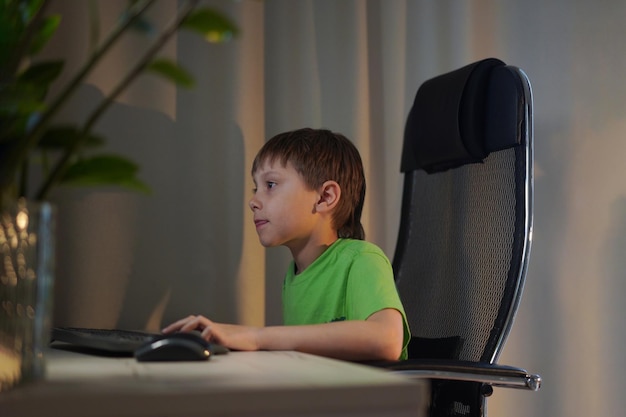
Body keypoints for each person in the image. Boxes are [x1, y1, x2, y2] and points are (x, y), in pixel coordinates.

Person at [163, 128, 410, 361]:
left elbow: (387, 340)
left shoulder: (361, 259)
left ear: (325, 197)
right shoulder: (292, 277)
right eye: (255, 188)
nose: (253, 201)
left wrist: (258, 337)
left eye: (270, 185)